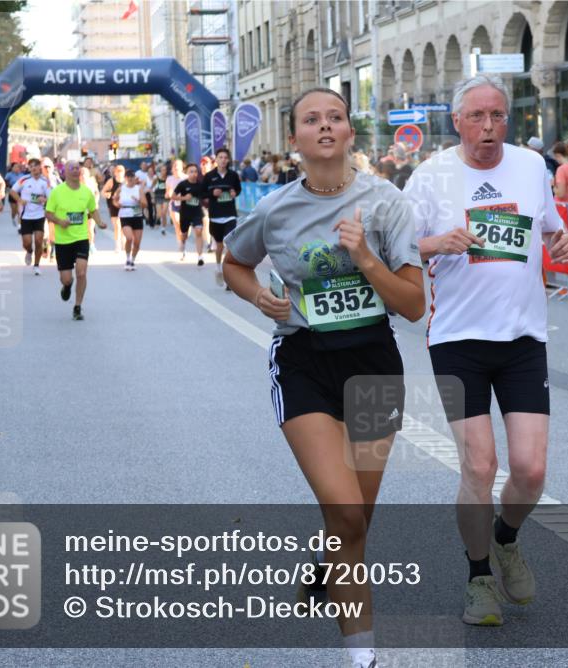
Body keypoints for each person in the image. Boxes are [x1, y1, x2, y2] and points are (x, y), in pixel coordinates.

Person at [222, 87, 425, 668]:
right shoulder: (276, 208)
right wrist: (262, 296)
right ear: (295, 140)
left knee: (354, 518)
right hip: (305, 361)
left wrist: (365, 258)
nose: (325, 126)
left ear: (350, 133)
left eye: (335, 117)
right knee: (345, 510)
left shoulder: (385, 203)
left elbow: (412, 305)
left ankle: (327, 562)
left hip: (374, 365)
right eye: (312, 120)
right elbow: (233, 263)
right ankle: (362, 656)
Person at [404, 74, 568, 628]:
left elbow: (551, 230)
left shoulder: (530, 166)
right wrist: (437, 242)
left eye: (498, 116)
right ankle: (479, 575)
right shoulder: (430, 177)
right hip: (458, 341)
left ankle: (506, 538)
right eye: (477, 116)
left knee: (530, 470)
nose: (488, 127)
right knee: (481, 466)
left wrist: (563, 243)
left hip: (524, 338)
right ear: (456, 121)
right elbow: (393, 248)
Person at [44, 161, 107, 321]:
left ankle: (78, 306)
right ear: (65, 172)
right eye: (71, 168)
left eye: (77, 168)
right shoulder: (57, 192)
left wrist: (99, 222)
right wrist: (59, 222)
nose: (74, 170)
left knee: (81, 272)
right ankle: (67, 286)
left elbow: (93, 210)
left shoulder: (86, 192)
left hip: (81, 238)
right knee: (66, 278)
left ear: (80, 172)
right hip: (63, 241)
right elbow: (48, 213)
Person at [202, 147, 241, 282]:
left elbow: (238, 189)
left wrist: (234, 193)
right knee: (219, 246)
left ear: (228, 160)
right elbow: (202, 194)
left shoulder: (233, 175)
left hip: (230, 214)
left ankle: (228, 275)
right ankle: (218, 267)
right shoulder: (209, 176)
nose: (223, 160)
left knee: (229, 243)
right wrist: (212, 194)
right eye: (221, 157)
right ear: (216, 160)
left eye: (225, 157)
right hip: (215, 215)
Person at [9, 157, 51, 275]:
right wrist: (20, 200)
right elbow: (12, 191)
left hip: (39, 215)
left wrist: (45, 199)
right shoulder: (24, 180)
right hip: (26, 215)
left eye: (35, 166)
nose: (33, 168)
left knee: (38, 240)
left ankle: (37, 265)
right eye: (31, 166)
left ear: (39, 168)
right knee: (26, 242)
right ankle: (29, 251)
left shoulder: (45, 182)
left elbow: (51, 198)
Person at [171, 163, 208, 263]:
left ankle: (200, 256)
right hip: (185, 213)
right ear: (187, 173)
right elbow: (173, 196)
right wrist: (183, 198)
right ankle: (183, 244)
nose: (194, 173)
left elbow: (205, 196)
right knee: (184, 234)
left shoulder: (200, 185)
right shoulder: (183, 184)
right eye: (191, 171)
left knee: (199, 232)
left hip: (197, 212)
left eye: (195, 171)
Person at [113, 169, 147, 271]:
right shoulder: (121, 189)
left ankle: (132, 259)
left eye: (132, 178)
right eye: (128, 178)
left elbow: (145, 204)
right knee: (129, 238)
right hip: (125, 215)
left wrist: (139, 201)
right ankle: (127, 258)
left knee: (137, 242)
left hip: (137, 215)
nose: (130, 180)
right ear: (125, 179)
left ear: (135, 179)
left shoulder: (139, 189)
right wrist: (117, 204)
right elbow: (114, 200)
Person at [101, 164, 126, 253]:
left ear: (124, 172)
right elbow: (103, 191)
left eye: (121, 171)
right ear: (114, 173)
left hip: (124, 206)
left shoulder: (126, 181)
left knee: (124, 226)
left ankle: (124, 243)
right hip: (113, 205)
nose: (119, 173)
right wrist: (107, 194)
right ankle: (117, 245)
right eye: (117, 172)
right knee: (117, 226)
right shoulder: (111, 181)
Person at [165, 159, 185, 241]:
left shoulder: (186, 178)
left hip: (185, 204)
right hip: (174, 204)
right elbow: (167, 192)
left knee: (185, 226)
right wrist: (168, 194)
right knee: (177, 223)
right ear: (172, 168)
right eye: (174, 166)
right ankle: (181, 243)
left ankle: (184, 237)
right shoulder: (169, 179)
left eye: (178, 165)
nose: (176, 167)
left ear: (182, 168)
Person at [154, 163, 170, 235]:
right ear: (160, 171)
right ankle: (158, 219)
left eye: (165, 170)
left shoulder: (169, 178)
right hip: (158, 196)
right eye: (162, 170)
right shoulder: (157, 178)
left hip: (166, 196)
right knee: (159, 213)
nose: (164, 171)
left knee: (164, 213)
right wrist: (151, 195)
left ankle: (163, 228)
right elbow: (151, 187)